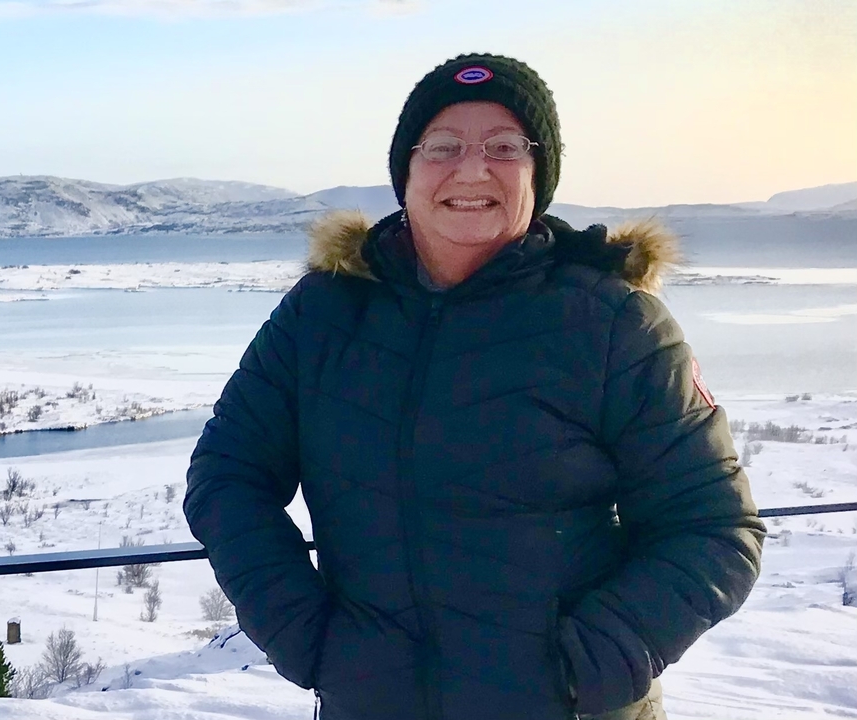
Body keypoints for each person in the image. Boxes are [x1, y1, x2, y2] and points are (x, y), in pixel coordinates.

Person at [182, 54, 763, 720]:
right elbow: (227, 475)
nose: (471, 168)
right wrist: (308, 640)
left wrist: (586, 668)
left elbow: (714, 526)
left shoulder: (612, 323)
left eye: (505, 147)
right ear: (406, 169)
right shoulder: (324, 314)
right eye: (443, 147)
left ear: (538, 173)